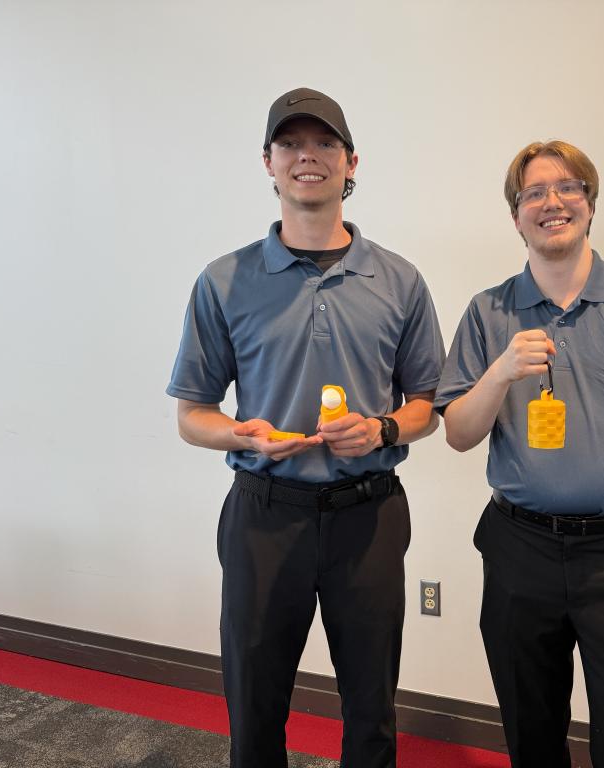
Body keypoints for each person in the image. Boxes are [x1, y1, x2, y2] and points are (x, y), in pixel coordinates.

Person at [167, 87, 445, 768]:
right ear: (268, 161)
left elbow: (428, 407)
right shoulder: (224, 280)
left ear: (353, 163)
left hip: (368, 518)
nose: (308, 157)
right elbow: (192, 415)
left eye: (325, 143)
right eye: (291, 143)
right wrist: (242, 434)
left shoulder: (400, 280)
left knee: (372, 711)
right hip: (264, 517)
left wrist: (382, 430)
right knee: (256, 709)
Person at [434, 140, 604, 768]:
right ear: (515, 215)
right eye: (534, 192)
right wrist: (500, 373)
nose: (552, 202)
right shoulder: (487, 311)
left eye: (568, 187)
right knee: (532, 735)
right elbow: (458, 432)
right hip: (519, 548)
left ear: (590, 202)